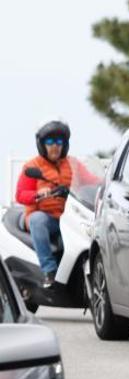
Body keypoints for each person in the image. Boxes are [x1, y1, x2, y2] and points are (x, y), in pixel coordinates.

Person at [15, 120, 87, 288]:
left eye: (59, 142)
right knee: (37, 220)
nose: (55, 146)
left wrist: (103, 186)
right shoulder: (32, 166)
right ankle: (49, 271)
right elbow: (20, 195)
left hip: (68, 217)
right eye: (50, 142)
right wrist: (37, 194)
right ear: (42, 145)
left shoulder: (73, 164)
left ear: (65, 145)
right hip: (45, 217)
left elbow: (92, 181)